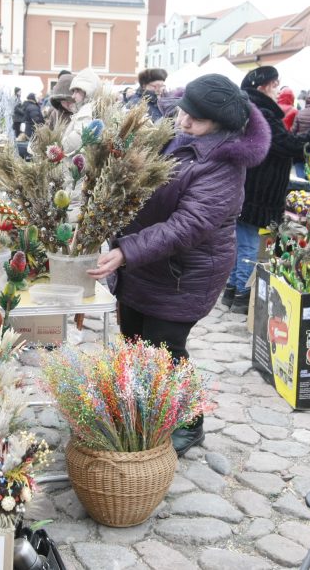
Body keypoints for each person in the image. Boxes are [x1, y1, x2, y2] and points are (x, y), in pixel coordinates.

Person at [88, 74, 270, 455]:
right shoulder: (175, 135)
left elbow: (188, 225)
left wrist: (126, 251)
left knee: (166, 350)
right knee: (136, 343)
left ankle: (190, 423)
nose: (185, 122)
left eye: (196, 120)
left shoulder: (224, 164)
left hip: (183, 273)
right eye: (184, 112)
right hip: (145, 263)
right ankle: (147, 412)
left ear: (220, 126)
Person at [224, 66, 310, 313]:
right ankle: (242, 296)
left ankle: (233, 292)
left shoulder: (252, 109)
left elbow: (287, 146)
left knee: (241, 243)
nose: (279, 89)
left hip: (251, 188)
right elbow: (286, 144)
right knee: (247, 245)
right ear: (262, 87)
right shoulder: (261, 112)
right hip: (257, 190)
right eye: (275, 84)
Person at [62, 68, 101, 154]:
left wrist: (61, 146)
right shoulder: (90, 109)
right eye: (73, 91)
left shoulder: (86, 110)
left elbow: (76, 141)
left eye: (77, 91)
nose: (73, 96)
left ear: (87, 92)